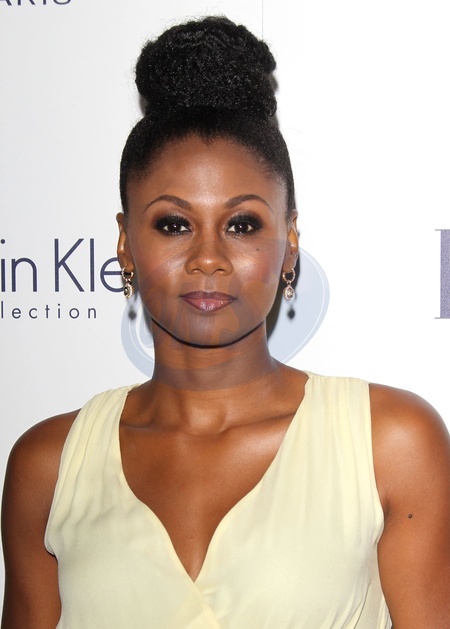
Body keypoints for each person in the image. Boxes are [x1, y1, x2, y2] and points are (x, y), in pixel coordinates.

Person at [1, 16, 449, 629]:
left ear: (290, 243)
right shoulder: (48, 465)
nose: (208, 258)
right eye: (173, 224)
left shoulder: (390, 443)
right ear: (125, 245)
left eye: (242, 224)